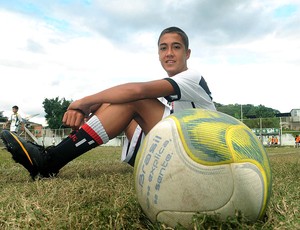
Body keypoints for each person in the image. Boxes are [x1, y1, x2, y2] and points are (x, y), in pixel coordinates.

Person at [0, 26, 216, 179]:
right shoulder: (164, 95)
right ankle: (51, 159)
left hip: (196, 157)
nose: (169, 53)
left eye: (176, 47)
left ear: (187, 53)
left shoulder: (193, 77)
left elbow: (137, 91)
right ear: (158, 53)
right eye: (163, 48)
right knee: (115, 102)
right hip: (164, 155)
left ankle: (49, 161)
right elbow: (125, 96)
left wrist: (83, 102)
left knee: (133, 99)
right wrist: (93, 109)